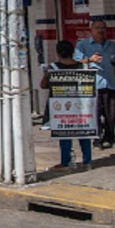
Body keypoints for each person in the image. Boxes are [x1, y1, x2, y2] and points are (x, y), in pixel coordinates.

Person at [41, 40, 93, 171]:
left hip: (60, 107)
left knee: (64, 133)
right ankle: (87, 161)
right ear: (73, 52)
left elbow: (43, 85)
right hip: (81, 106)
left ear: (58, 52)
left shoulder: (52, 68)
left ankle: (66, 162)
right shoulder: (83, 67)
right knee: (84, 133)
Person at [74, 20, 115, 149]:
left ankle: (110, 138)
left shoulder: (112, 45)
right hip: (93, 85)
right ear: (91, 30)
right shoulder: (83, 45)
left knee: (111, 114)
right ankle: (97, 139)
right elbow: (76, 62)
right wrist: (90, 60)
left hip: (111, 84)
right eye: (97, 28)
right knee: (95, 113)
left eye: (103, 28)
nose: (100, 30)